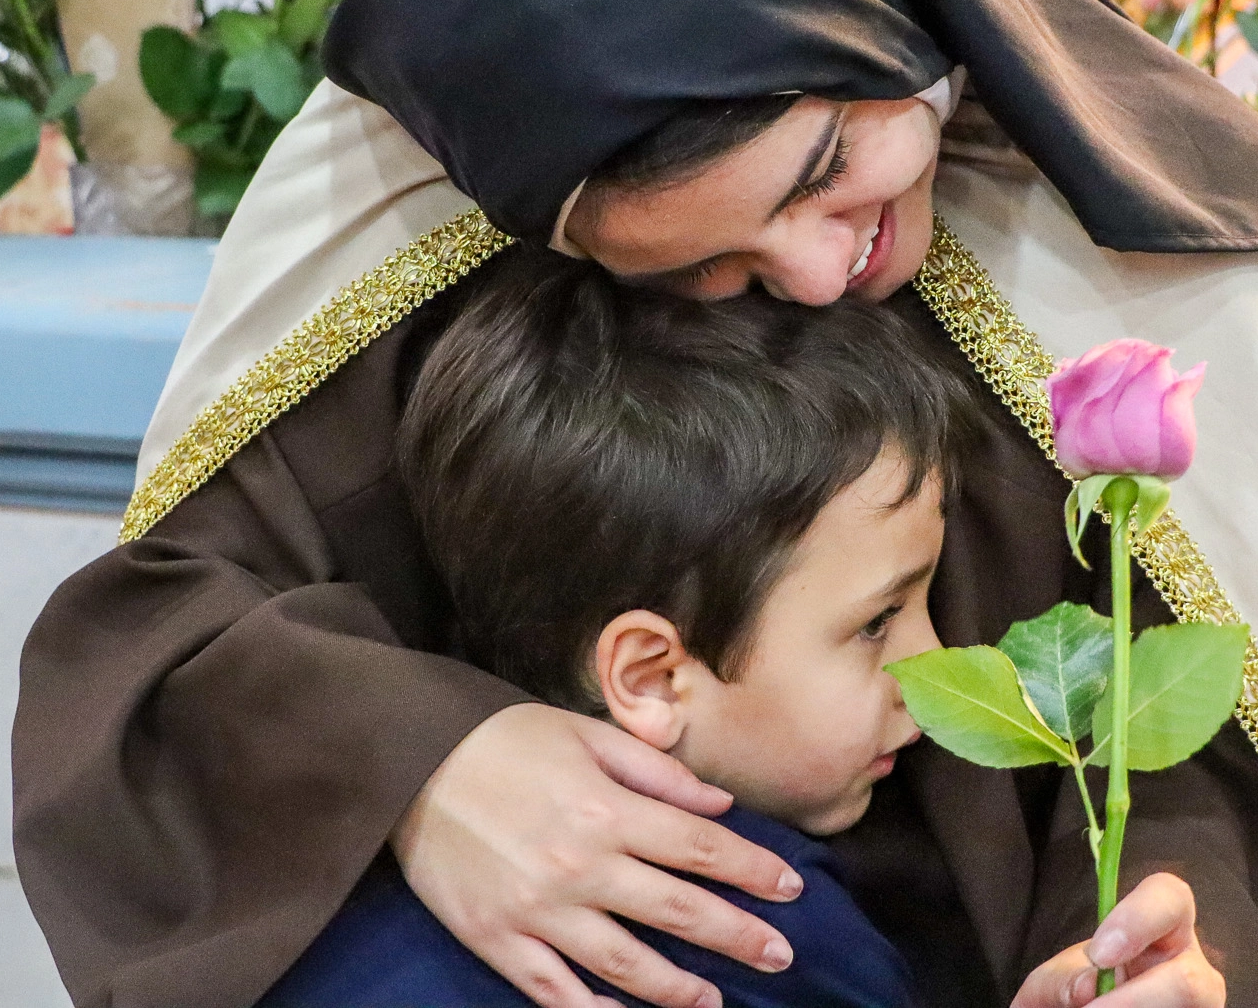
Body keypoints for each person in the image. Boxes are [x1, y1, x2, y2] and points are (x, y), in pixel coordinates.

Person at [14, 0, 1258, 1008]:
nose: (832, 279)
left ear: (861, 2)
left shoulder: (1102, 248)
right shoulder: (438, 223)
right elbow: (169, 637)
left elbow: (1186, 723)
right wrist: (428, 768)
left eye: (830, 169)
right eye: (711, 270)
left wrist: (1153, 940)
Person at [264, 250, 969, 1006]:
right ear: (651, 677)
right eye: (877, 623)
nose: (935, 663)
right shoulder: (774, 938)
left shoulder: (291, 896)